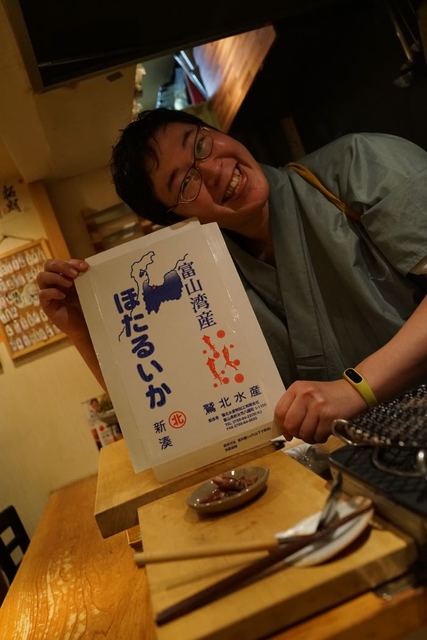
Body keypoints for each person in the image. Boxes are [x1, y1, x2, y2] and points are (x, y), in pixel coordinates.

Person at [37, 108, 427, 444]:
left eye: (200, 144)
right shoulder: (204, 283)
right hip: (369, 459)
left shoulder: (361, 165)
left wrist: (355, 389)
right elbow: (174, 418)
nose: (211, 169)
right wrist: (81, 330)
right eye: (184, 182)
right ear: (177, 220)